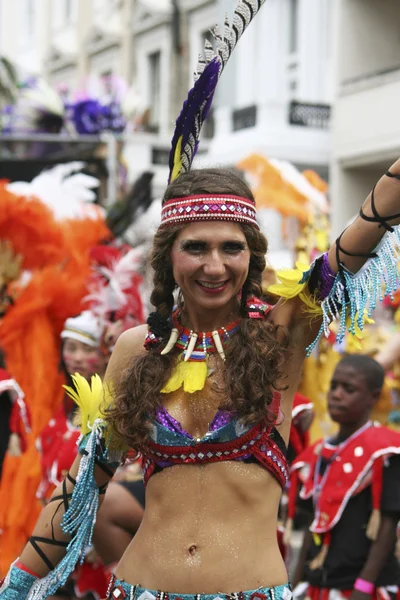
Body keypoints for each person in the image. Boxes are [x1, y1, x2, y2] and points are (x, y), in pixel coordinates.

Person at [4, 0, 400, 598]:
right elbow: (85, 484)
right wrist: (17, 585)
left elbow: (357, 240)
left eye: (231, 248)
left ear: (252, 254)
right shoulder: (138, 348)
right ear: (169, 257)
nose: (215, 266)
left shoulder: (282, 328)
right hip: (139, 588)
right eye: (196, 248)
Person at [290, 355, 400, 600]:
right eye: (334, 386)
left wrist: (364, 586)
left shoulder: (386, 452)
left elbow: (388, 525)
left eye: (348, 389)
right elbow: (312, 523)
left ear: (373, 396)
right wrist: (295, 580)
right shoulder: (316, 453)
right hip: (316, 583)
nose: (336, 395)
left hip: (362, 587)